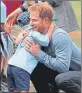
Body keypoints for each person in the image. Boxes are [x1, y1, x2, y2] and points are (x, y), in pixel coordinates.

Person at [5, 1, 81, 93]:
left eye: (34, 20)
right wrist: (17, 41)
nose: (31, 24)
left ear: (45, 20)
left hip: (77, 72)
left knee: (62, 79)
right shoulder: (35, 34)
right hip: (65, 71)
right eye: (30, 20)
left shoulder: (59, 36)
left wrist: (39, 53)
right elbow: (20, 56)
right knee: (33, 68)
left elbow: (62, 67)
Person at [7, 20, 54, 92]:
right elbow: (46, 41)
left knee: (14, 90)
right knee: (24, 90)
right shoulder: (34, 33)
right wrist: (51, 27)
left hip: (11, 65)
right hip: (22, 67)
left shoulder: (26, 33)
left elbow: (16, 42)